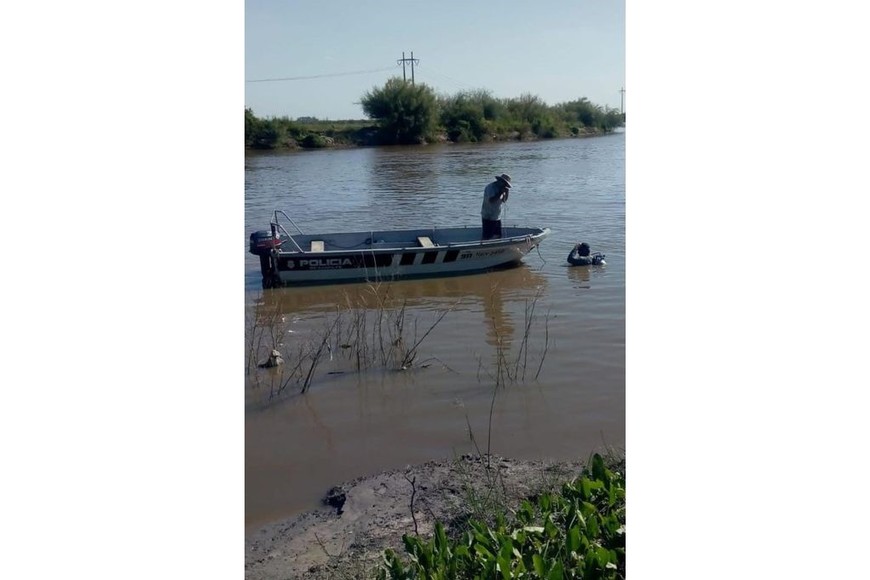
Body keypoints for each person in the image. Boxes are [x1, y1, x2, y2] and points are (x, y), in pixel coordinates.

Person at [481, 173, 512, 239]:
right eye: (504, 183)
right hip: (488, 215)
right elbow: (491, 200)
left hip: (496, 216)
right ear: (500, 181)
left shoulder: (502, 189)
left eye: (506, 185)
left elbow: (504, 200)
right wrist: (500, 192)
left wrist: (506, 193)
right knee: (487, 236)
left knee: (498, 235)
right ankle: (484, 248)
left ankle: (496, 248)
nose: (505, 185)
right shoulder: (490, 187)